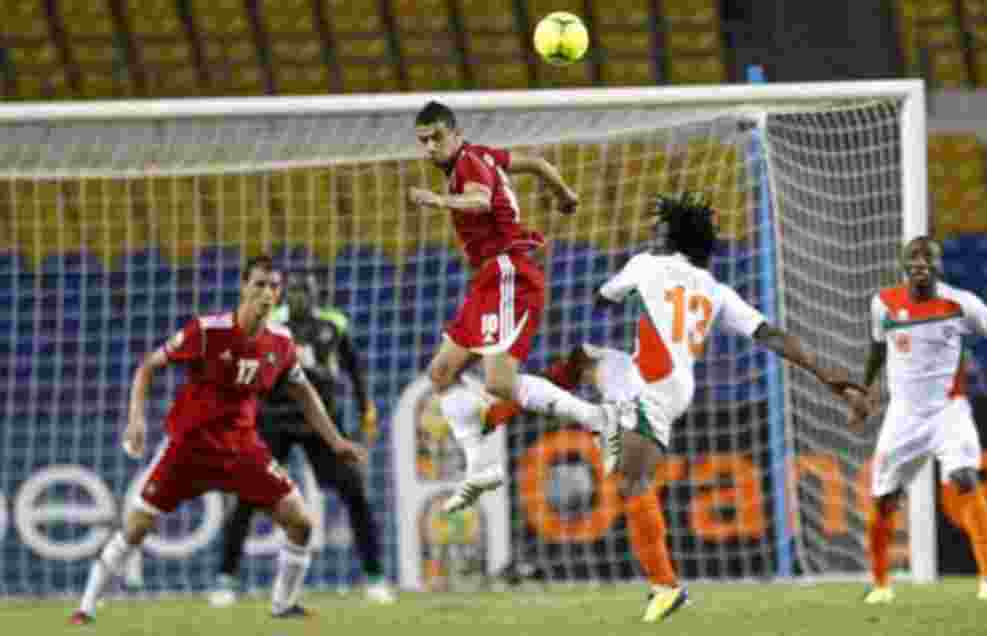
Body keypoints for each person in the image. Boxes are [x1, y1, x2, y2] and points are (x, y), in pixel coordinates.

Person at [588, 191, 865, 623]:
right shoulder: (716, 289)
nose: (651, 238)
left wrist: (620, 295)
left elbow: (602, 299)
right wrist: (825, 374)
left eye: (657, 233)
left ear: (673, 238)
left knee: (632, 481)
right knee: (626, 469)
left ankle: (666, 587)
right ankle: (664, 585)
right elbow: (770, 334)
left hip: (653, 383)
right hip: (677, 384)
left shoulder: (644, 264)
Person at [69, 256, 367, 625]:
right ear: (243, 287)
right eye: (259, 284)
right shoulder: (207, 331)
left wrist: (336, 441)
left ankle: (283, 604)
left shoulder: (281, 342)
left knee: (301, 522)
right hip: (188, 449)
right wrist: (136, 420)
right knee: (137, 527)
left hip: (242, 450)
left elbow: (303, 392)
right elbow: (148, 366)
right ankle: (85, 608)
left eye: (273, 287)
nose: (267, 293)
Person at [408, 100, 622, 513]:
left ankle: (600, 419)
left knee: (500, 383)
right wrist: (564, 193)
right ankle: (479, 468)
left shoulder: (469, 163)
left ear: (455, 133)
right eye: (423, 141)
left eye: (437, 137)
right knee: (441, 372)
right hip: (488, 279)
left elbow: (480, 200)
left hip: (508, 272)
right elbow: (537, 163)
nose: (431, 147)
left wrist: (438, 202)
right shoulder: (486, 155)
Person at [852, 236, 987, 604]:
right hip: (903, 414)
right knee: (885, 498)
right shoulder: (882, 304)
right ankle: (881, 585)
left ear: (939, 265)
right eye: (913, 257)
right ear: (902, 263)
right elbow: (878, 348)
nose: (920, 263)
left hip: (949, 410)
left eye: (928, 257)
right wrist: (864, 391)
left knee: (964, 476)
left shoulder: (959, 304)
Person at [208, 272, 394, 607]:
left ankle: (375, 576)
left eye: (304, 291)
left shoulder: (334, 324)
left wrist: (366, 406)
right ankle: (225, 579)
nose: (298, 298)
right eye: (291, 291)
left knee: (354, 491)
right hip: (273, 421)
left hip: (320, 423)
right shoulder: (270, 324)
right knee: (247, 496)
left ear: (316, 293)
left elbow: (354, 368)